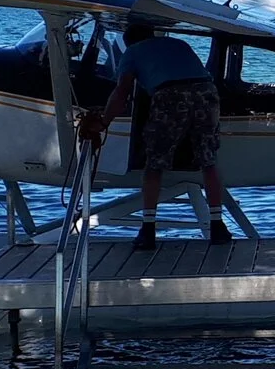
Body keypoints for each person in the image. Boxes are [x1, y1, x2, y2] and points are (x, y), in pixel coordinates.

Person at [85, 16, 232, 251]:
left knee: (154, 164)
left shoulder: (131, 54)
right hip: (207, 92)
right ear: (151, 33)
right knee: (208, 161)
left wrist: (104, 121)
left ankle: (148, 229)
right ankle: (218, 226)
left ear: (128, 40)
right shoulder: (178, 44)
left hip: (170, 96)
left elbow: (122, 92)